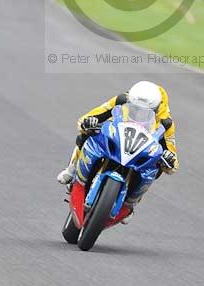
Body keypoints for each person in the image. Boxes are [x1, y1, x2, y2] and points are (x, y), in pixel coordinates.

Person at [57, 81, 179, 217]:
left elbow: (173, 160)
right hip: (118, 137)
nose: (139, 113)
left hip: (141, 149)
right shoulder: (121, 100)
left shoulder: (166, 122)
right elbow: (89, 117)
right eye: (135, 109)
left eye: (144, 112)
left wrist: (169, 160)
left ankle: (132, 202)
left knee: (158, 165)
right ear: (130, 100)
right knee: (86, 134)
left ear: (156, 109)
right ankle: (72, 168)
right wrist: (88, 122)